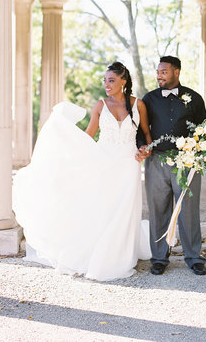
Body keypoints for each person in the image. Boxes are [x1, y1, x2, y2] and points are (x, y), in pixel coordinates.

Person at [13, 61, 152, 281]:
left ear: (123, 82)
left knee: (125, 211)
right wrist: (66, 145)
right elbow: (88, 137)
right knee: (105, 209)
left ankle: (122, 255)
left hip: (129, 164)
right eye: (105, 80)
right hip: (104, 163)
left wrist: (145, 150)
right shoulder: (100, 106)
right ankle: (101, 254)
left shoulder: (139, 105)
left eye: (112, 80)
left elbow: (145, 135)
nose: (107, 84)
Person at [137, 56, 206, 276]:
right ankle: (159, 258)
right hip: (156, 160)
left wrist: (199, 152)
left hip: (186, 162)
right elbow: (141, 130)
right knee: (158, 209)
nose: (159, 75)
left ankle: (194, 257)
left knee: (188, 210)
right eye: (158, 72)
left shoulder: (194, 98)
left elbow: (204, 129)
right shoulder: (148, 99)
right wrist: (142, 147)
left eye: (164, 72)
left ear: (176, 72)